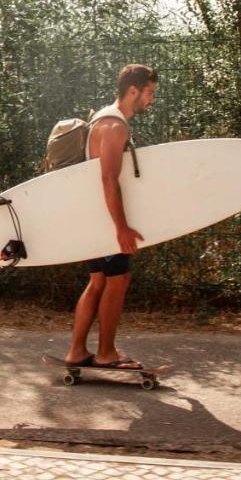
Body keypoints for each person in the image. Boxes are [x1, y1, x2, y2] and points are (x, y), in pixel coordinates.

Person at [64, 64, 158, 370]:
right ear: (133, 90)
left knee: (98, 282)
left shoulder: (100, 118)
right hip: (105, 219)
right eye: (149, 92)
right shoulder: (115, 126)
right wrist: (121, 228)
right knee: (118, 280)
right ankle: (105, 353)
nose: (151, 100)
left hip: (92, 215)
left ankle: (77, 352)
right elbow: (108, 179)